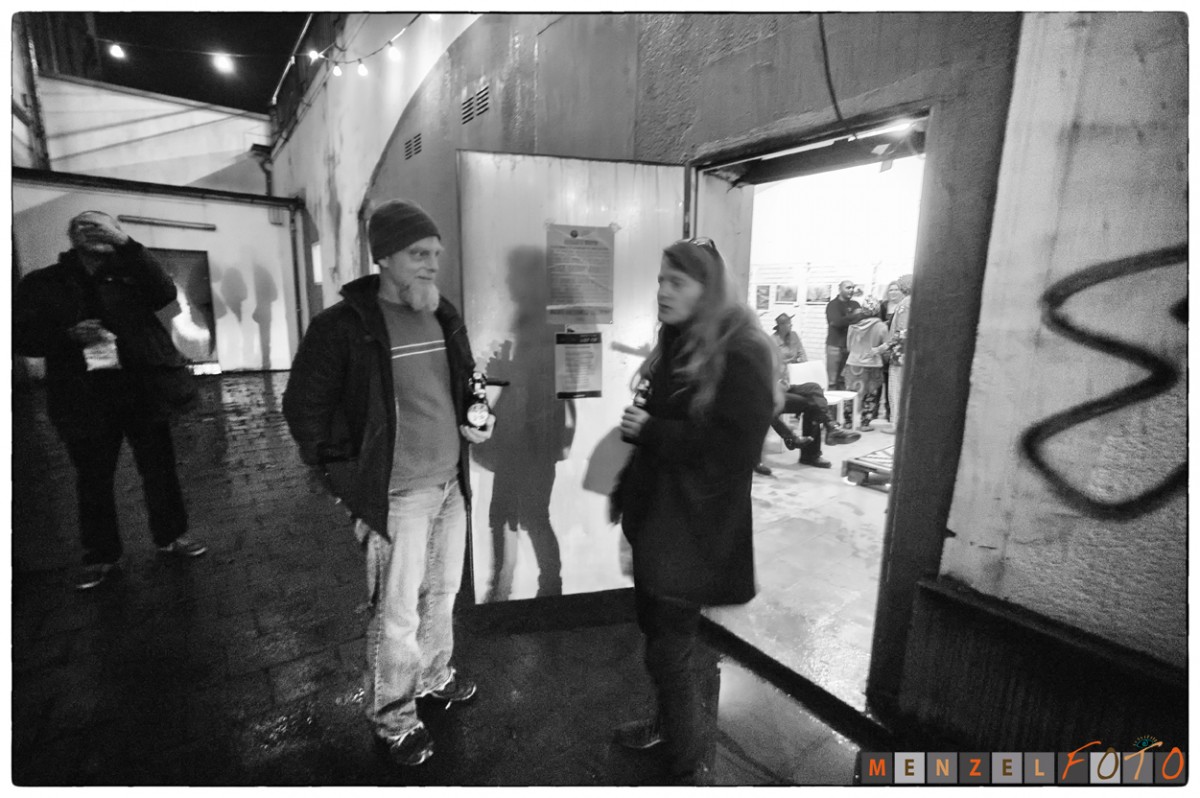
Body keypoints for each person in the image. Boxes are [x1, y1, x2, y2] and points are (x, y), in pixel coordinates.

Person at [282, 199, 494, 768]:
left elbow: (465, 381)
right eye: (418, 254)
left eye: (436, 254)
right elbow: (303, 408)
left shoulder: (441, 312)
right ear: (384, 257)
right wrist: (344, 479)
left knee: (442, 594)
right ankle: (394, 717)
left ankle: (433, 676)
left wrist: (478, 415)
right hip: (397, 494)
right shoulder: (342, 327)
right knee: (397, 614)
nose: (432, 264)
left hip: (450, 485)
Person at [610, 237, 776, 785]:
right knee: (659, 636)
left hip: (695, 529)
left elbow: (737, 449)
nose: (662, 291)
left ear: (707, 290)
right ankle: (669, 730)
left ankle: (687, 769)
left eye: (675, 282)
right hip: (660, 519)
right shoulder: (678, 340)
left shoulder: (742, 351)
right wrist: (626, 489)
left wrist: (653, 430)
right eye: (660, 280)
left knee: (669, 650)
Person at [13, 211, 206, 591]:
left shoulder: (133, 272)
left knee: (160, 469)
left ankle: (172, 536)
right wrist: (67, 335)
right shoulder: (44, 282)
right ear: (73, 236)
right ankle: (101, 555)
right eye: (86, 226)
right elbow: (21, 336)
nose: (95, 231)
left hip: (142, 387)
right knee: (93, 479)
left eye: (104, 226)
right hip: (83, 394)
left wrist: (128, 245)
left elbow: (165, 294)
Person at [843, 297, 889, 429]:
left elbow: (849, 347)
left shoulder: (853, 326)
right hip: (872, 364)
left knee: (850, 393)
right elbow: (887, 345)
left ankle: (848, 422)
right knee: (870, 394)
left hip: (853, 363)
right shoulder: (881, 326)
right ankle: (865, 423)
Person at [882, 274, 912, 434]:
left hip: (900, 353)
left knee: (896, 389)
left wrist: (885, 346)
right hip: (908, 353)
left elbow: (901, 332)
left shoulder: (905, 304)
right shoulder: (916, 302)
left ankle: (896, 424)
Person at [825, 279, 864, 389]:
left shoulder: (855, 304)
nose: (851, 290)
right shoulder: (833, 305)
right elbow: (836, 322)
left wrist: (848, 319)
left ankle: (842, 400)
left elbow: (860, 320)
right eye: (848, 287)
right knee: (832, 380)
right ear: (840, 289)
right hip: (835, 346)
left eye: (852, 288)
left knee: (845, 379)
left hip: (850, 347)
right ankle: (830, 400)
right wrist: (853, 316)